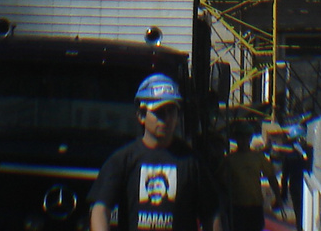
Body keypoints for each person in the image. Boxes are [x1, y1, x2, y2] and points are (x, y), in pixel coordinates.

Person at [89, 74, 224, 231]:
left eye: (171, 111)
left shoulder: (192, 162)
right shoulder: (123, 160)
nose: (166, 118)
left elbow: (211, 213)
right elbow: (100, 209)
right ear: (141, 115)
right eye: (159, 112)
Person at [220, 123, 280, 231]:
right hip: (237, 208)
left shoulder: (258, 157)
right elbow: (222, 183)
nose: (243, 140)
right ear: (236, 138)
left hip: (255, 206)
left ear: (250, 138)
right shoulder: (229, 160)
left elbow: (271, 177)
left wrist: (278, 197)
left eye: (246, 137)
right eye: (240, 137)